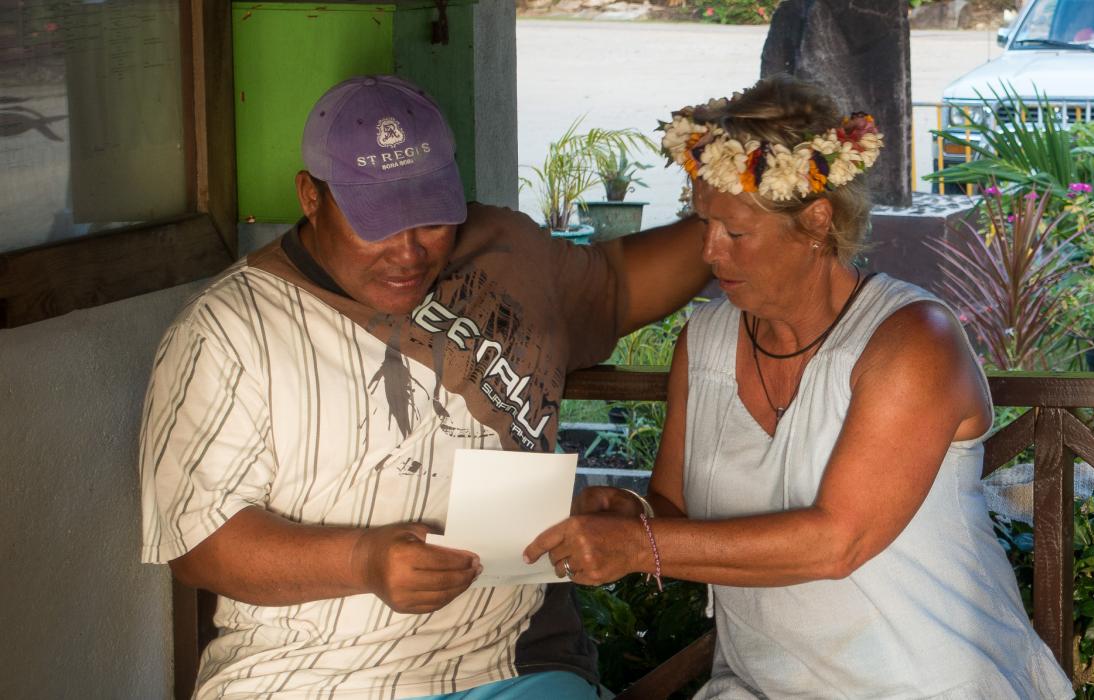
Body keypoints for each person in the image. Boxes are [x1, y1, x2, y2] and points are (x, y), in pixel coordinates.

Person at [139, 75, 708, 699]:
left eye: (432, 220)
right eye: (377, 224)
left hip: (510, 659)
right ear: (311, 196)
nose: (408, 253)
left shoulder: (506, 252)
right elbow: (199, 543)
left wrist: (751, 195)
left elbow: (619, 287)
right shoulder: (227, 330)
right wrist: (363, 561)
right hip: (304, 673)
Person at [524, 75, 1075, 698]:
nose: (709, 251)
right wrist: (634, 517)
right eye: (702, 223)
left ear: (815, 222)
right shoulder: (703, 342)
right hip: (759, 685)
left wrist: (638, 544)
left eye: (735, 233)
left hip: (930, 682)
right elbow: (674, 508)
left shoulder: (914, 340)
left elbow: (838, 542)